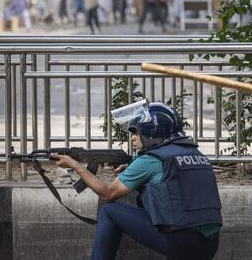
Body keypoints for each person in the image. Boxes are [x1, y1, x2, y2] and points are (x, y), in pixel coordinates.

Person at [53, 100, 222, 260]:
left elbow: (107, 193)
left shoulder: (150, 159)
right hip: (210, 245)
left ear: (152, 132)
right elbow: (178, 188)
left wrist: (75, 165)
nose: (133, 137)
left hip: (178, 241)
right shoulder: (196, 155)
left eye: (136, 132)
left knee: (109, 211)